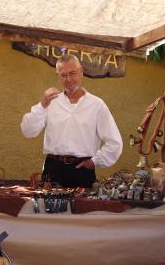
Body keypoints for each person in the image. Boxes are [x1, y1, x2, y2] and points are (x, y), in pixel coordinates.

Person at [20, 55, 122, 188]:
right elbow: (28, 131)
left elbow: (115, 142)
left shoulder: (97, 105)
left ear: (81, 72)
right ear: (58, 77)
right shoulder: (50, 102)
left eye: (72, 73)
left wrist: (95, 161)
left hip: (82, 170)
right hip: (53, 169)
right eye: (63, 75)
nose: (68, 79)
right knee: (47, 208)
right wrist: (42, 104)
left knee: (82, 208)